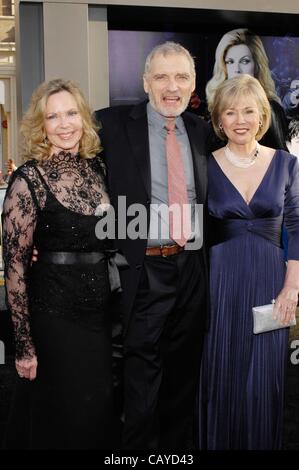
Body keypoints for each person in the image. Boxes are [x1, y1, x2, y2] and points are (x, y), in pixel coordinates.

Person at [95, 41, 210, 450]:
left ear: (194, 83)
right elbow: (71, 183)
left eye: (181, 77)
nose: (171, 86)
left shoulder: (200, 130)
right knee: (141, 382)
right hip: (142, 271)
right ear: (145, 82)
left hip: (192, 270)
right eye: (161, 76)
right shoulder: (108, 125)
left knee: (182, 377)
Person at [2, 78, 122, 449]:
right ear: (41, 126)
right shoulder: (29, 180)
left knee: (97, 413)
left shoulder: (99, 171)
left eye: (71, 113)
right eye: (53, 117)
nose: (65, 123)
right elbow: (16, 267)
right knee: (63, 419)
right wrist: (23, 345)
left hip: (101, 317)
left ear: (84, 118)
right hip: (54, 317)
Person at [198, 74, 299, 450]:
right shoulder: (204, 166)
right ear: (219, 121)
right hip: (219, 283)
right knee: (221, 371)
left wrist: (292, 287)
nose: (240, 119)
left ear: (262, 117)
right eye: (230, 112)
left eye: (248, 111)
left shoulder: (286, 164)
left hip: (272, 281)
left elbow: (298, 227)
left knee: (263, 381)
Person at [206, 28, 288, 151]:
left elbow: (281, 164)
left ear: (257, 65)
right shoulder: (214, 108)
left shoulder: (272, 110)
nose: (237, 69)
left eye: (244, 61)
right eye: (230, 62)